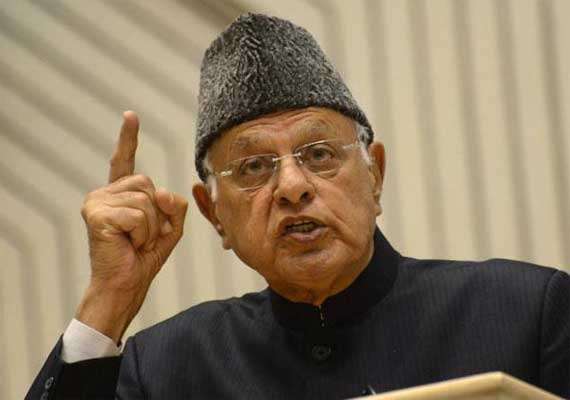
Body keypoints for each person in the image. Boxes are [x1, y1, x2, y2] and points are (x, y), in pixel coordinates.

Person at [27, 13, 569, 400]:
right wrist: (108, 300)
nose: (291, 186)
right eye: (253, 167)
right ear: (214, 214)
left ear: (375, 175)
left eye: (319, 154)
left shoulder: (527, 315)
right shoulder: (167, 369)